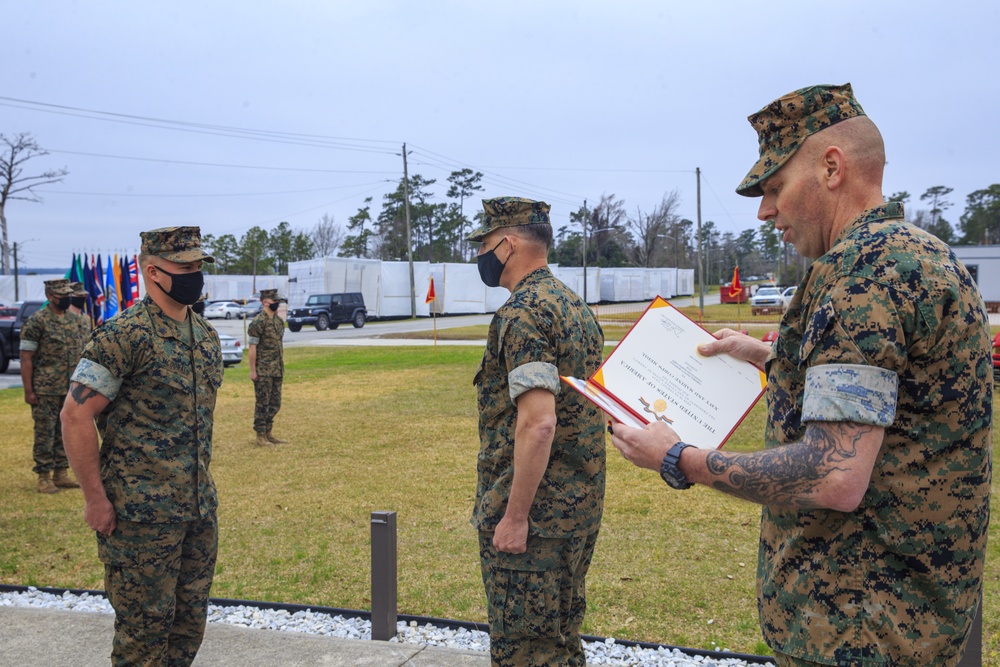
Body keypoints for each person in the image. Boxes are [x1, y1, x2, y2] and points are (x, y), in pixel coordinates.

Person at [610, 84, 992, 666]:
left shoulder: (861, 277)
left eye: (774, 189)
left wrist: (677, 457)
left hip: (859, 626)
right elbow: (901, 393)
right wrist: (773, 359)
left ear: (831, 168)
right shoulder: (922, 256)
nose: (765, 212)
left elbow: (832, 475)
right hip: (919, 610)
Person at [60, 226, 223, 666]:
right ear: (152, 271)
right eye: (184, 267)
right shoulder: (124, 336)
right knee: (143, 636)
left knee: (188, 628)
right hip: (139, 521)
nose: (194, 275)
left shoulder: (205, 336)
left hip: (196, 511)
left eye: (198, 267)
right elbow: (75, 415)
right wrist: (95, 500)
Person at [468, 196, 606, 667]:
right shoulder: (573, 306)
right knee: (561, 642)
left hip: (537, 521)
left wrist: (514, 516)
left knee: (527, 653)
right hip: (576, 509)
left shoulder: (522, 314)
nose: (480, 255)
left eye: (484, 244)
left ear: (507, 245)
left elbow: (540, 421)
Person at [20, 278, 81, 493]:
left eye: (68, 295)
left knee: (65, 432)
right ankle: (44, 476)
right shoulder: (37, 321)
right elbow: (26, 358)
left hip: (70, 389)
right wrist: (29, 390)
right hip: (45, 389)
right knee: (45, 432)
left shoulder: (74, 321)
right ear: (49, 297)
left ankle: (61, 473)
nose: (66, 299)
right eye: (61, 296)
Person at [247, 288, 288, 446]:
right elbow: (252, 348)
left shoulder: (278, 321)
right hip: (263, 370)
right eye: (274, 302)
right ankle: (260, 435)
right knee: (262, 402)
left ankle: (269, 432)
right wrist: (253, 370)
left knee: (275, 402)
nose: (277, 304)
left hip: (277, 368)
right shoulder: (258, 322)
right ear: (265, 302)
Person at [68, 281, 93, 358]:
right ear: (70, 296)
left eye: (83, 296)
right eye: (78, 295)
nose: (82, 298)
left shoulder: (86, 319)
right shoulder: (63, 318)